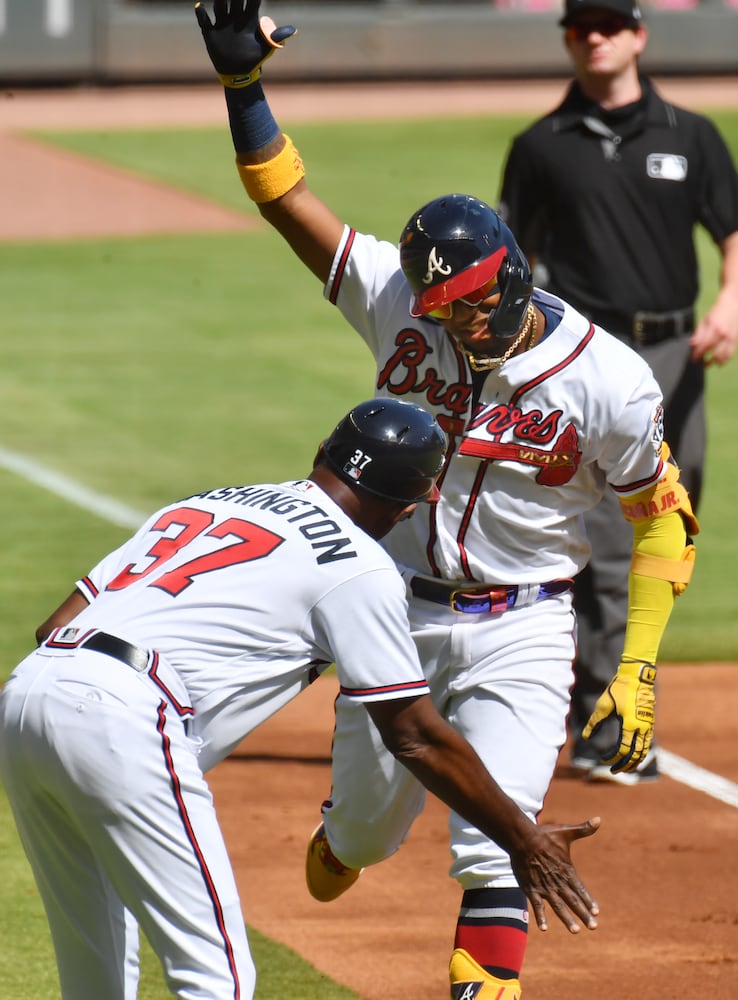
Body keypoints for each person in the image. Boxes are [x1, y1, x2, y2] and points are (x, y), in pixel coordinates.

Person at [193, 3, 698, 996]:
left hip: (528, 624)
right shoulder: (398, 303)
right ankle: (347, 831)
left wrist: (635, 667)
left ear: (509, 274)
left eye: (471, 302)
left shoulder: (610, 380)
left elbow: (660, 518)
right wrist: (243, 88)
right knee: (368, 838)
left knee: (497, 845)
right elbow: (287, 201)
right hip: (390, 611)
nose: (454, 323)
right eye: (440, 308)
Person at [0, 399, 604, 1000]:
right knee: (217, 979)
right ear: (405, 509)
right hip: (123, 714)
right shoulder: (358, 565)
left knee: (95, 975)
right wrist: (523, 841)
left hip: (29, 695)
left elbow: (54, 624)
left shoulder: (206, 501)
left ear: (323, 454)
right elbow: (412, 734)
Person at [497, 0, 738, 785]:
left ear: (639, 34)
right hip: (587, 365)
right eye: (579, 27)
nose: (594, 37)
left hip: (675, 354)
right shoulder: (539, 146)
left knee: (668, 530)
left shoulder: (691, 135)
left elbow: (732, 232)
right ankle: (604, 725)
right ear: (568, 39)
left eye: (609, 24)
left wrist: (729, 305)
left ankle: (620, 699)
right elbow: (515, 265)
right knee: (602, 546)